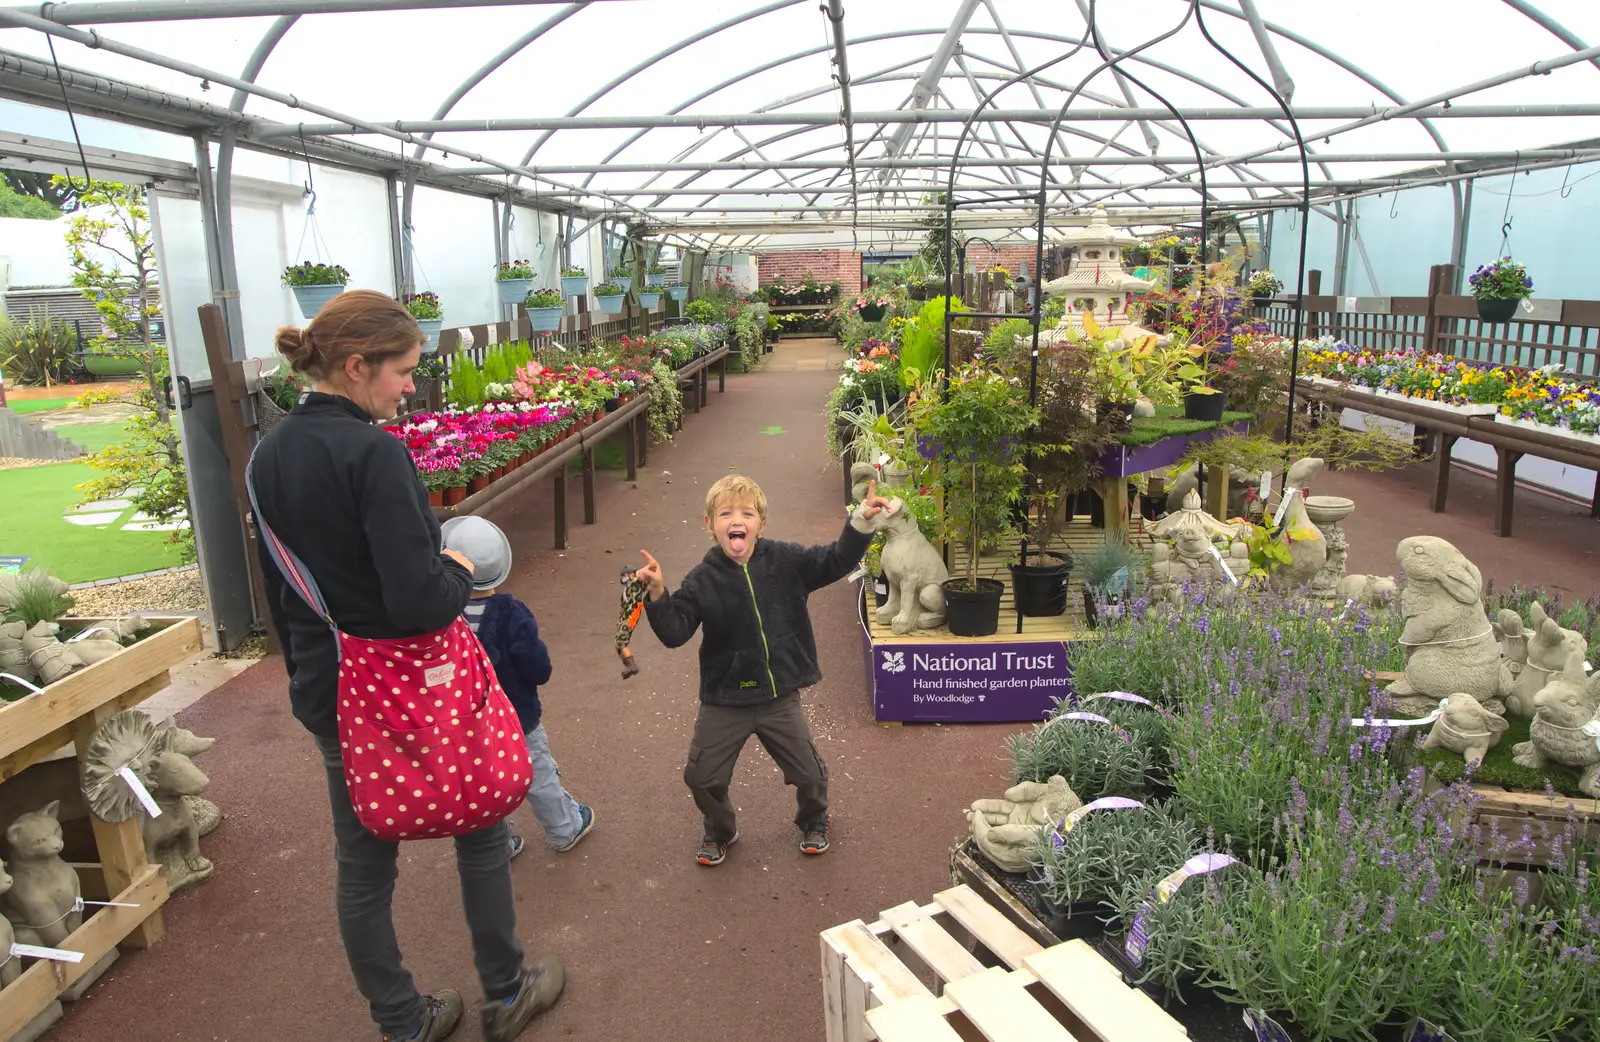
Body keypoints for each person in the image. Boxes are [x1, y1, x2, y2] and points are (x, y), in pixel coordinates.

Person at [251, 290, 564, 1042]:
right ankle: (505, 992)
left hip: (330, 685)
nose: (409, 387)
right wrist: (457, 563)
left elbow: (277, 586)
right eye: (402, 372)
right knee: (481, 828)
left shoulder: (268, 454)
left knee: (363, 864)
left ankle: (402, 1020)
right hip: (411, 681)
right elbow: (421, 599)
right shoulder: (374, 453)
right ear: (356, 366)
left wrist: (307, 681)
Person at [636, 474, 889, 866]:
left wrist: (861, 523)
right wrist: (656, 594)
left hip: (778, 695)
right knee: (702, 778)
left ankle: (813, 820)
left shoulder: (787, 561)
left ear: (760, 524)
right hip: (725, 699)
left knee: (810, 774)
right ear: (710, 524)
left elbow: (836, 559)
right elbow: (674, 632)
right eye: (725, 513)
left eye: (746, 513)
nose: (736, 520)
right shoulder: (702, 580)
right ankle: (721, 830)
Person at [439, 516, 596, 856]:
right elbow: (537, 668)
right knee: (537, 774)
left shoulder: (444, 616)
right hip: (516, 715)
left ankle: (496, 844)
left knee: (481, 780)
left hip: (465, 721)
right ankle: (564, 828)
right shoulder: (512, 613)